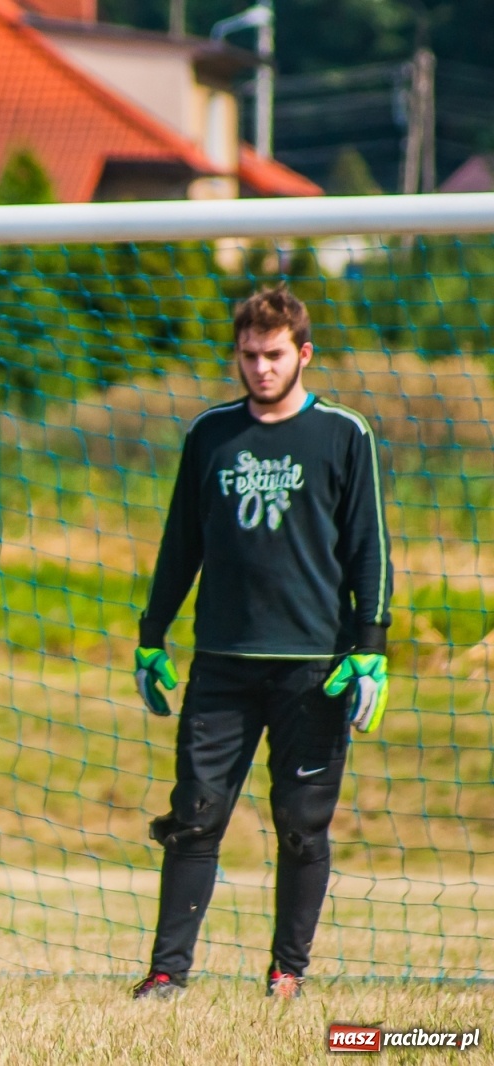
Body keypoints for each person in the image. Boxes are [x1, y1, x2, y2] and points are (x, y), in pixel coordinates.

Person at [131, 287, 392, 1000]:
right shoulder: (209, 435)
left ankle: (287, 973)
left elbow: (370, 548)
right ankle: (165, 976)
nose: (260, 368)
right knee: (195, 817)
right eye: (248, 355)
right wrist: (152, 634)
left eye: (274, 355)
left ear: (303, 354)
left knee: (301, 828)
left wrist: (370, 645)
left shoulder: (344, 434)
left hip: (314, 669)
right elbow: (180, 542)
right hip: (221, 663)